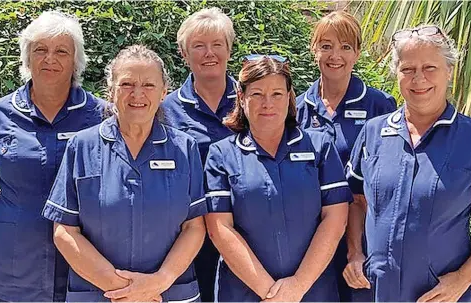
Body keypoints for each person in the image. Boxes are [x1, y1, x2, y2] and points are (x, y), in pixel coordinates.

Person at [344, 25, 471, 302]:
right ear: (397, 73)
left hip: (440, 294)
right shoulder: (373, 133)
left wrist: (462, 279)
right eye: (408, 69)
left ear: (449, 71)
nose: (418, 79)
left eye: (430, 67)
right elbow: (356, 200)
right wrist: (355, 252)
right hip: (375, 291)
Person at [42, 45, 206, 302]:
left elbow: (195, 227)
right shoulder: (82, 146)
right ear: (111, 91)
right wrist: (125, 289)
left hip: (168, 294)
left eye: (149, 85)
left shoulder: (184, 149)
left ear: (164, 92)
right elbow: (64, 231)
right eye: (127, 84)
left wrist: (159, 282)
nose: (137, 94)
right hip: (100, 293)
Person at [0, 11, 105, 302]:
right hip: (16, 264)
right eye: (40, 50)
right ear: (27, 57)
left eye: (61, 51)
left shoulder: (101, 116)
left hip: (85, 260)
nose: (49, 59)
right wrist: (18, 221)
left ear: (75, 61)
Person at [204, 55, 351, 302]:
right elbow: (220, 229)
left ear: (290, 96)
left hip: (312, 292)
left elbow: (336, 220)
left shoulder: (319, 147)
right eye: (257, 94)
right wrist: (272, 295)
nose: (267, 104)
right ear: (242, 98)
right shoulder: (221, 154)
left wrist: (297, 287)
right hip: (245, 293)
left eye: (277, 94)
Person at [295, 11, 397, 301]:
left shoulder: (380, 105)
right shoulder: (298, 108)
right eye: (326, 46)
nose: (335, 55)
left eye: (345, 47)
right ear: (314, 50)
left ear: (357, 53)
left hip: (365, 239)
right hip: (311, 238)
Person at [161, 7, 237, 301]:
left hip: (243, 232)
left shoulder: (252, 102)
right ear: (184, 53)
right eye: (199, 46)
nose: (209, 53)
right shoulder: (165, 110)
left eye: (217, 44)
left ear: (229, 49)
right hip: (186, 236)